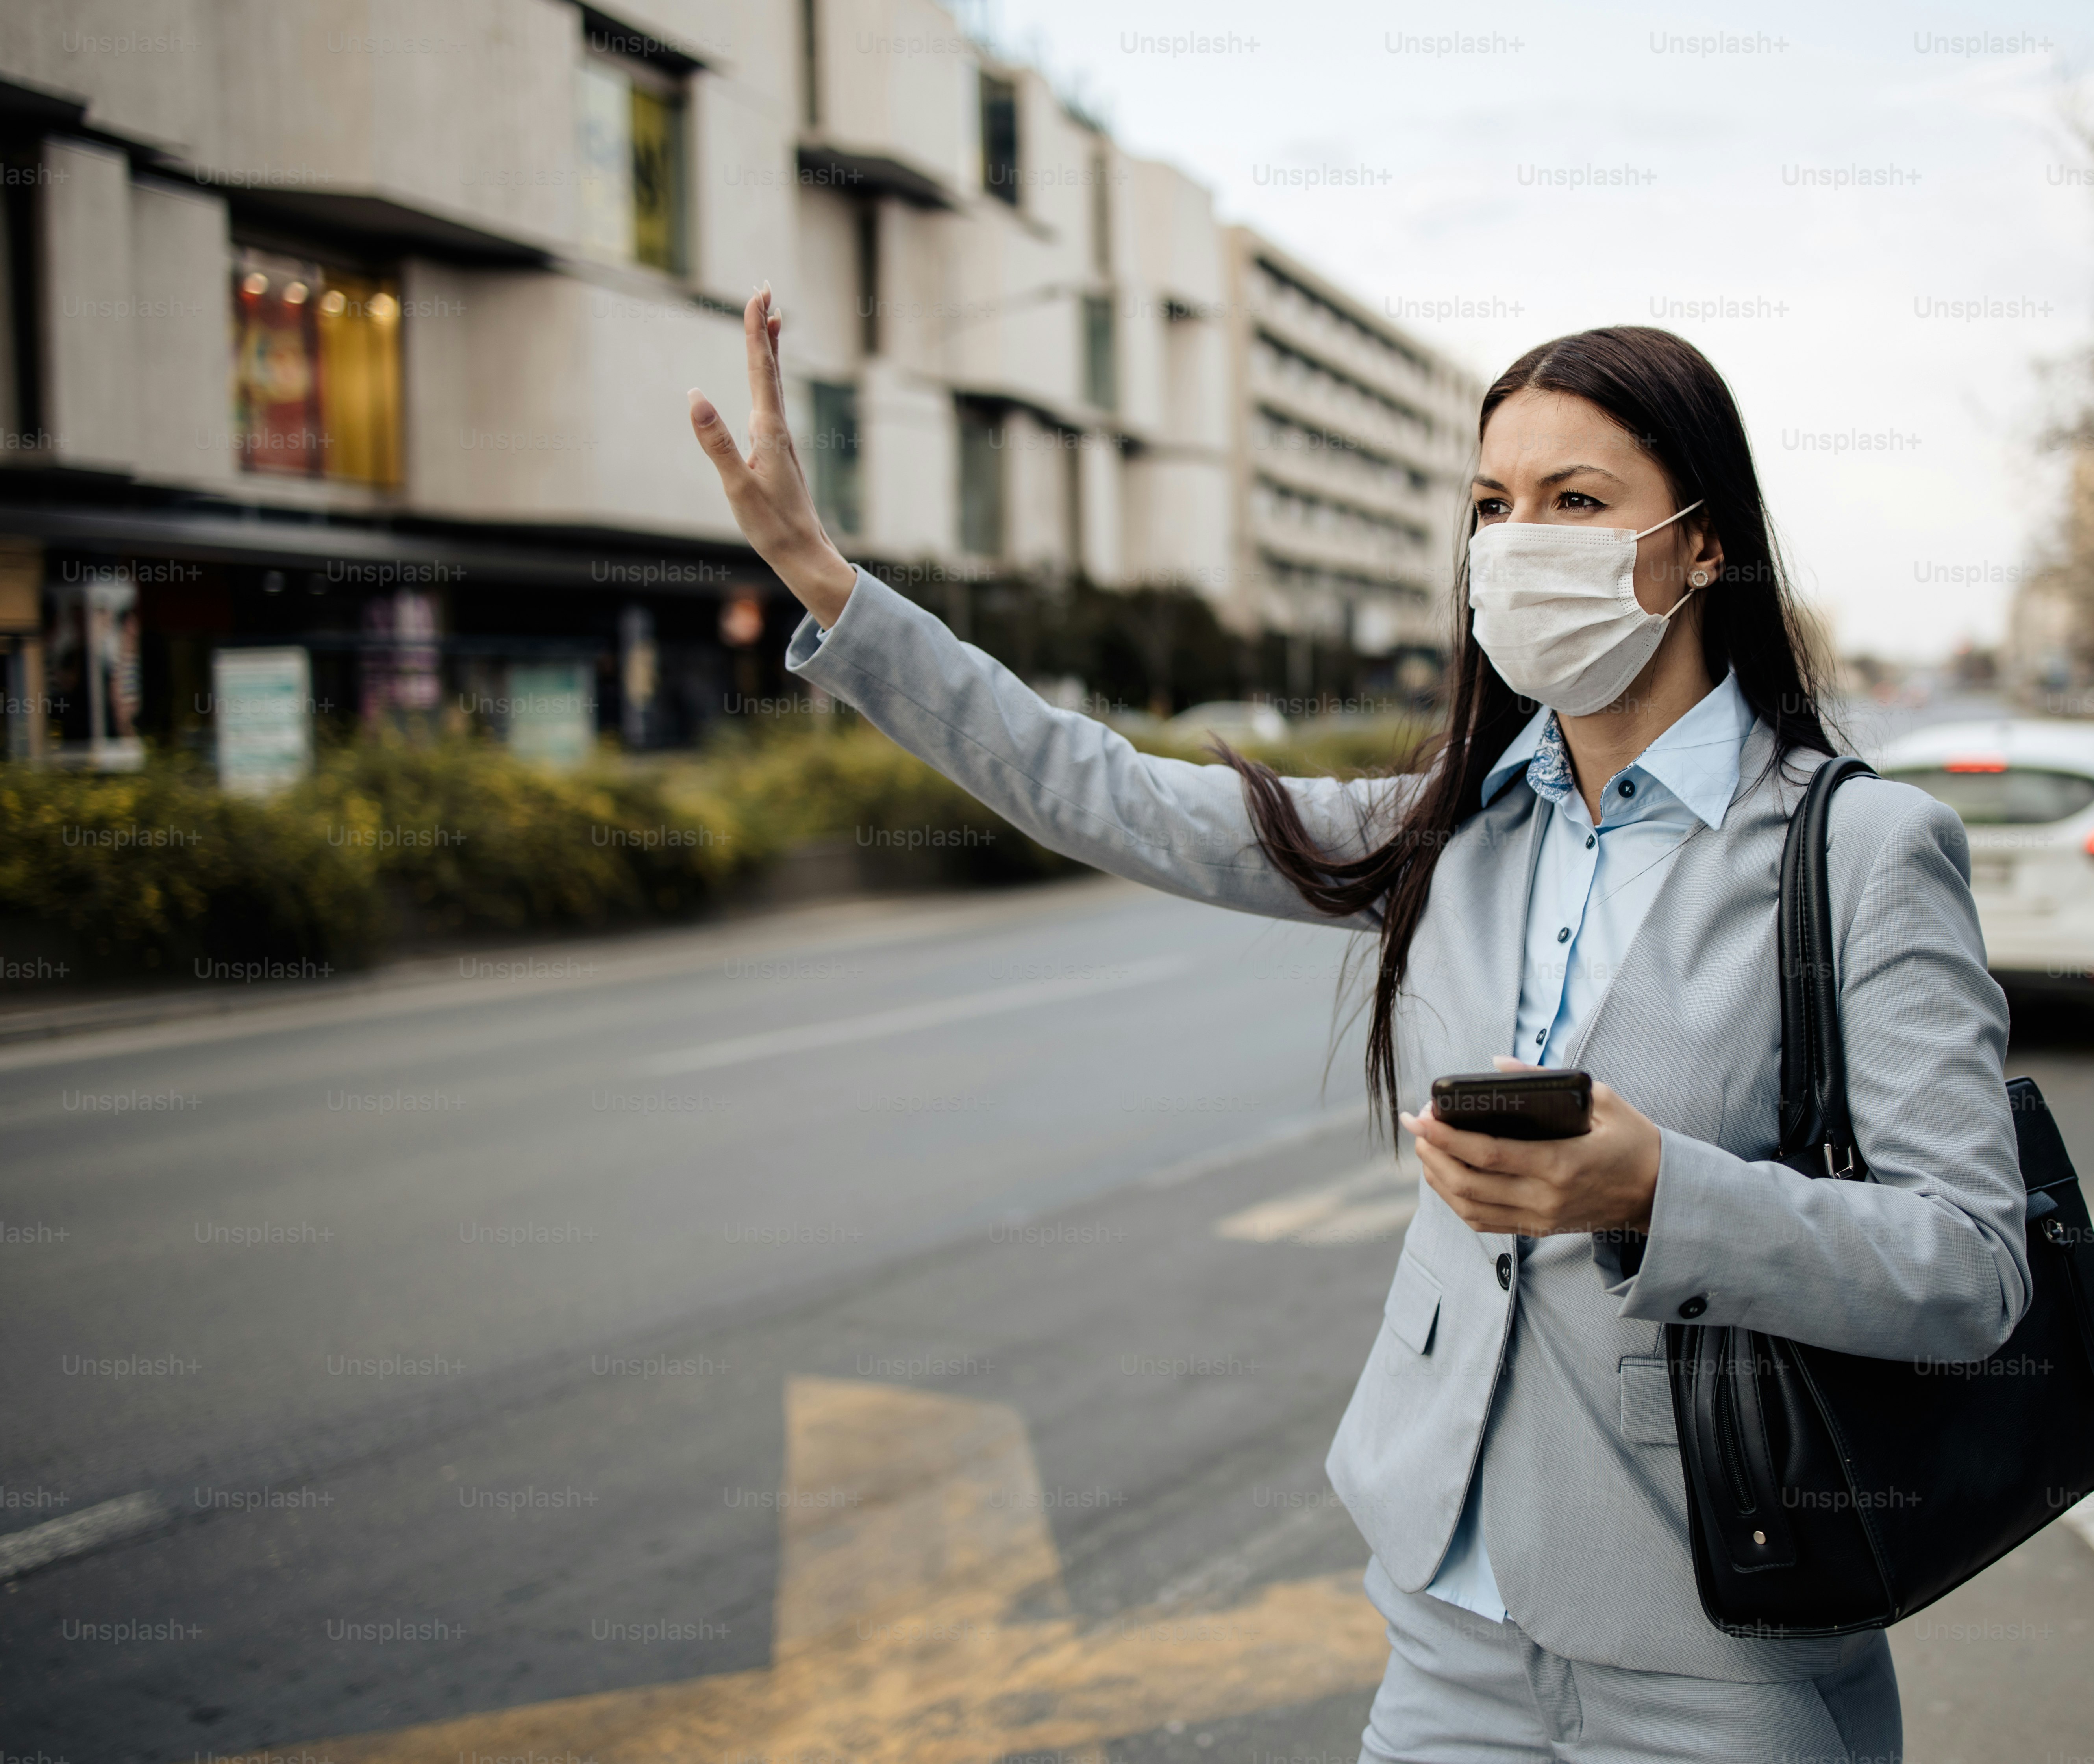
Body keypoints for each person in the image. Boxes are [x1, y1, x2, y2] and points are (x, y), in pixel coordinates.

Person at [689, 298, 2025, 1764]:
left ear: (1702, 544)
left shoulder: (1863, 854)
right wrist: (832, 585)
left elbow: (1970, 1267)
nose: (1519, 542)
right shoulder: (1446, 834)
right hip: (1448, 1626)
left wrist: (1661, 1192)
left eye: (1579, 501)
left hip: (1720, 1635)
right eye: (1493, 505)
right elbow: (1106, 791)